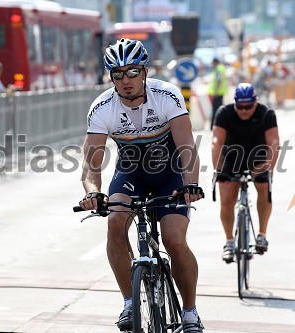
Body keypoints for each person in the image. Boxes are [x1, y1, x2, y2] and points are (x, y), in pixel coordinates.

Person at [78, 38, 205, 332]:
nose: (126, 81)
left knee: (174, 240)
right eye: (118, 74)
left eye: (133, 72)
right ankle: (129, 303)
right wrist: (93, 193)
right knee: (115, 222)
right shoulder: (102, 108)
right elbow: (90, 164)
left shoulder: (167, 96)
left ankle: (189, 312)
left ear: (145, 71)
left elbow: (186, 146)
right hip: (131, 173)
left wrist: (192, 185)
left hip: (170, 174)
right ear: (111, 77)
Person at [212, 83, 279, 264]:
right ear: (234, 103)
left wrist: (268, 169)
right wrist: (218, 170)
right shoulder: (224, 113)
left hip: (258, 157)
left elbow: (274, 143)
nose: (244, 110)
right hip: (231, 158)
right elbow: (216, 142)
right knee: (226, 196)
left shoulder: (266, 114)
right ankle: (229, 242)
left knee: (264, 185)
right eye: (239, 106)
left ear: (255, 102)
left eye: (248, 106)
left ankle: (262, 234)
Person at [207, 57, 228, 130]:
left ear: (215, 62)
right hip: (220, 93)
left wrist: (215, 92)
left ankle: (214, 125)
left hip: (218, 93)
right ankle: (220, 125)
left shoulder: (218, 69)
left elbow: (219, 81)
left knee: (216, 110)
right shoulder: (220, 69)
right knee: (219, 109)